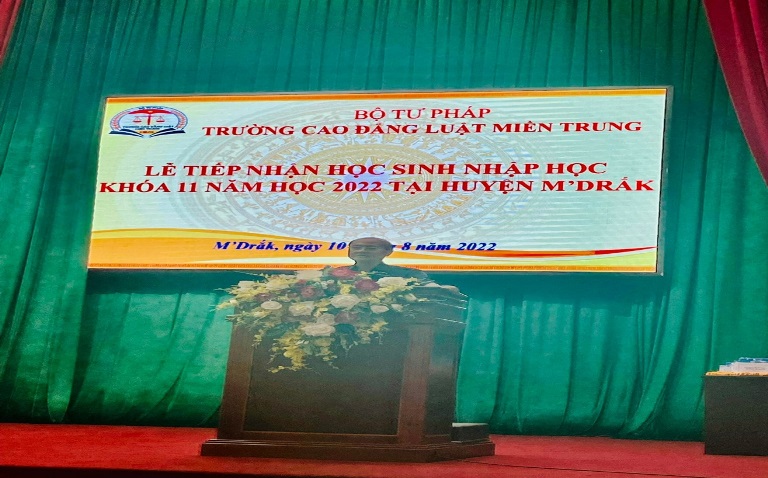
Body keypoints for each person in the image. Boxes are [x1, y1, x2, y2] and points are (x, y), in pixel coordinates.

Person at [337, 237, 429, 281]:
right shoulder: (334, 274)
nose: (362, 251)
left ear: (388, 252)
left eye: (371, 248)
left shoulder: (409, 274)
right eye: (356, 248)